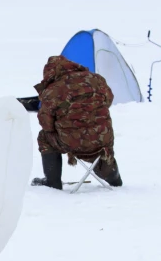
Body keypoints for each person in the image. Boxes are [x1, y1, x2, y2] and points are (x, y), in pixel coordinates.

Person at [31, 55, 123, 190]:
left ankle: (52, 181)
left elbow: (46, 124)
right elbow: (108, 100)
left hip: (72, 142)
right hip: (103, 139)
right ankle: (114, 178)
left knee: (45, 137)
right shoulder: (96, 79)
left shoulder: (52, 91)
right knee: (98, 140)